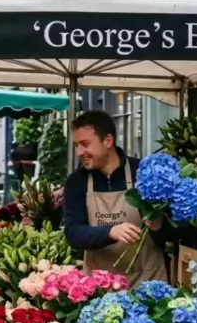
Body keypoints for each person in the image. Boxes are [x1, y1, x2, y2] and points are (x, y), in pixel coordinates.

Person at [63, 110, 174, 288]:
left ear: (108, 141)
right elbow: (73, 233)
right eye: (76, 145)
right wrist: (110, 232)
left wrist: (160, 224)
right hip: (100, 287)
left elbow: (176, 231)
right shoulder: (77, 182)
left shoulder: (143, 173)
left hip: (148, 282)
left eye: (85, 144)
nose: (79, 152)